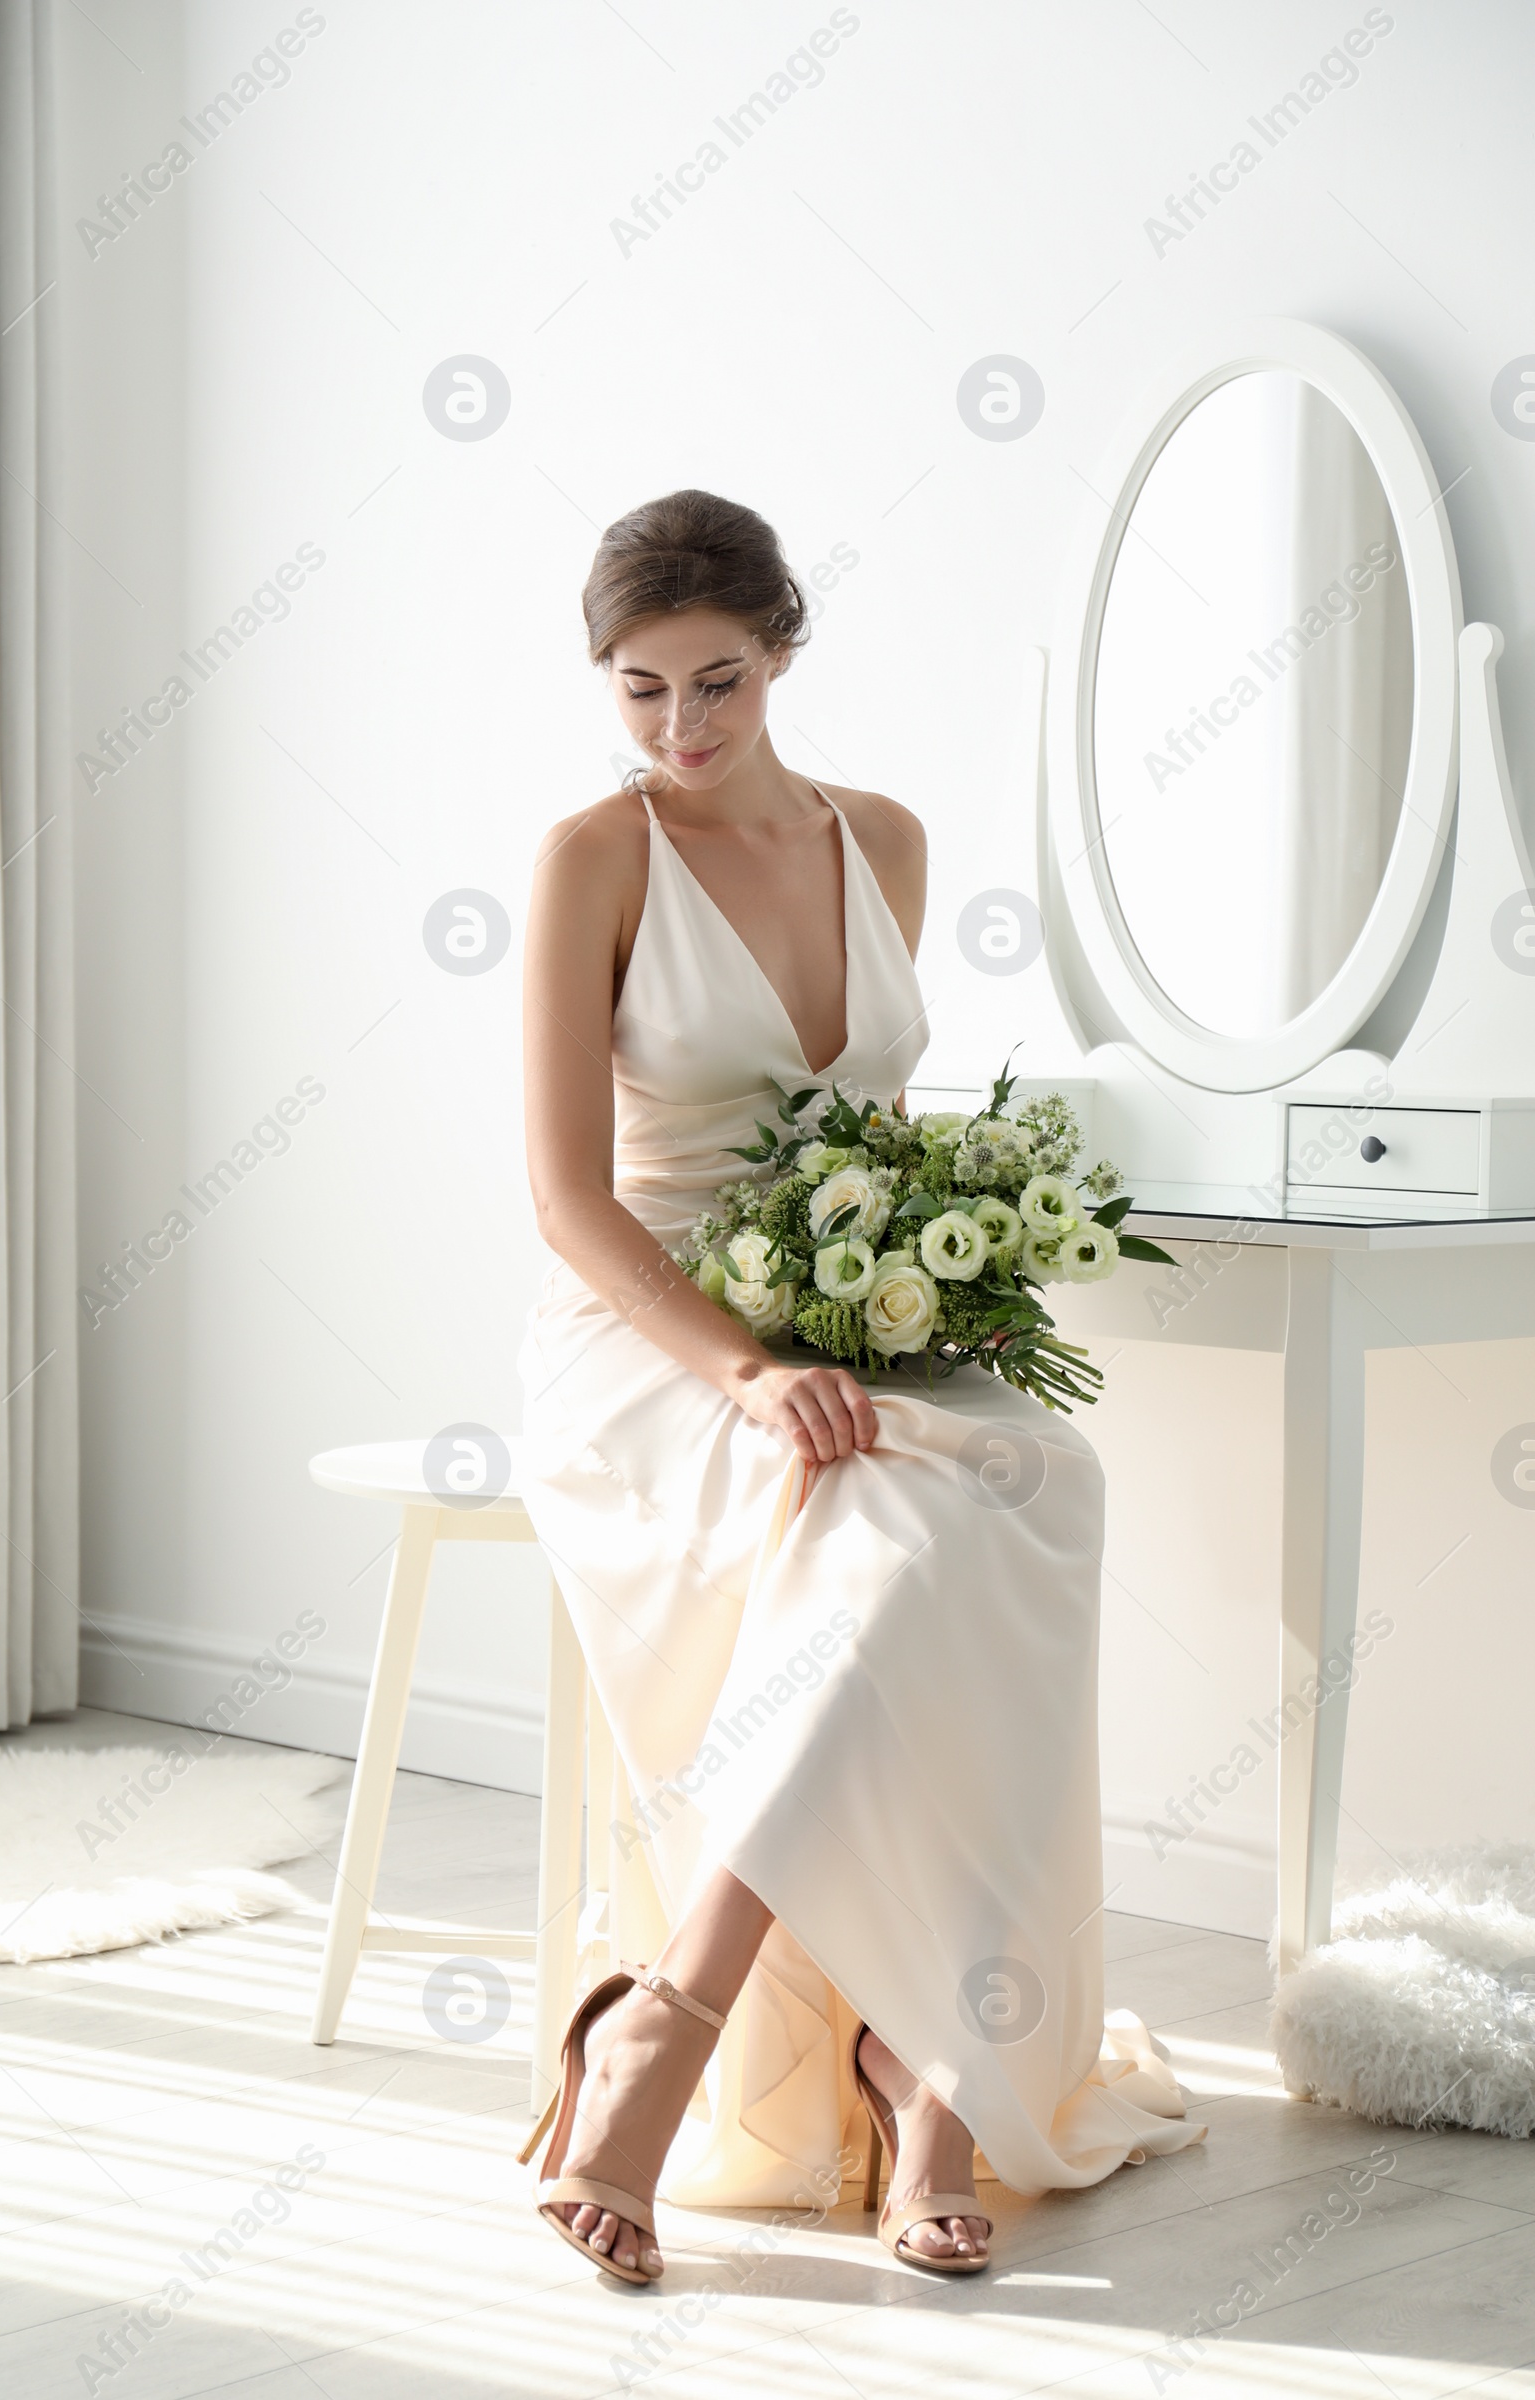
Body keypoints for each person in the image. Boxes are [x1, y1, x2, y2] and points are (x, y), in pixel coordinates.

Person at [517, 488, 1203, 2285]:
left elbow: (875, 1144)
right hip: (656, 1337)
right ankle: (844, 2061)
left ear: (788, 649)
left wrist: (893, 1299)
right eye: (642, 690)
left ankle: (835, 2038)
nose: (681, 729)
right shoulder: (592, 858)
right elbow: (569, 1200)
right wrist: (747, 1364)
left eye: (719, 682)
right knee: (892, 1530)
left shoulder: (884, 839)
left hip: (839, 1313)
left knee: (1042, 1482)